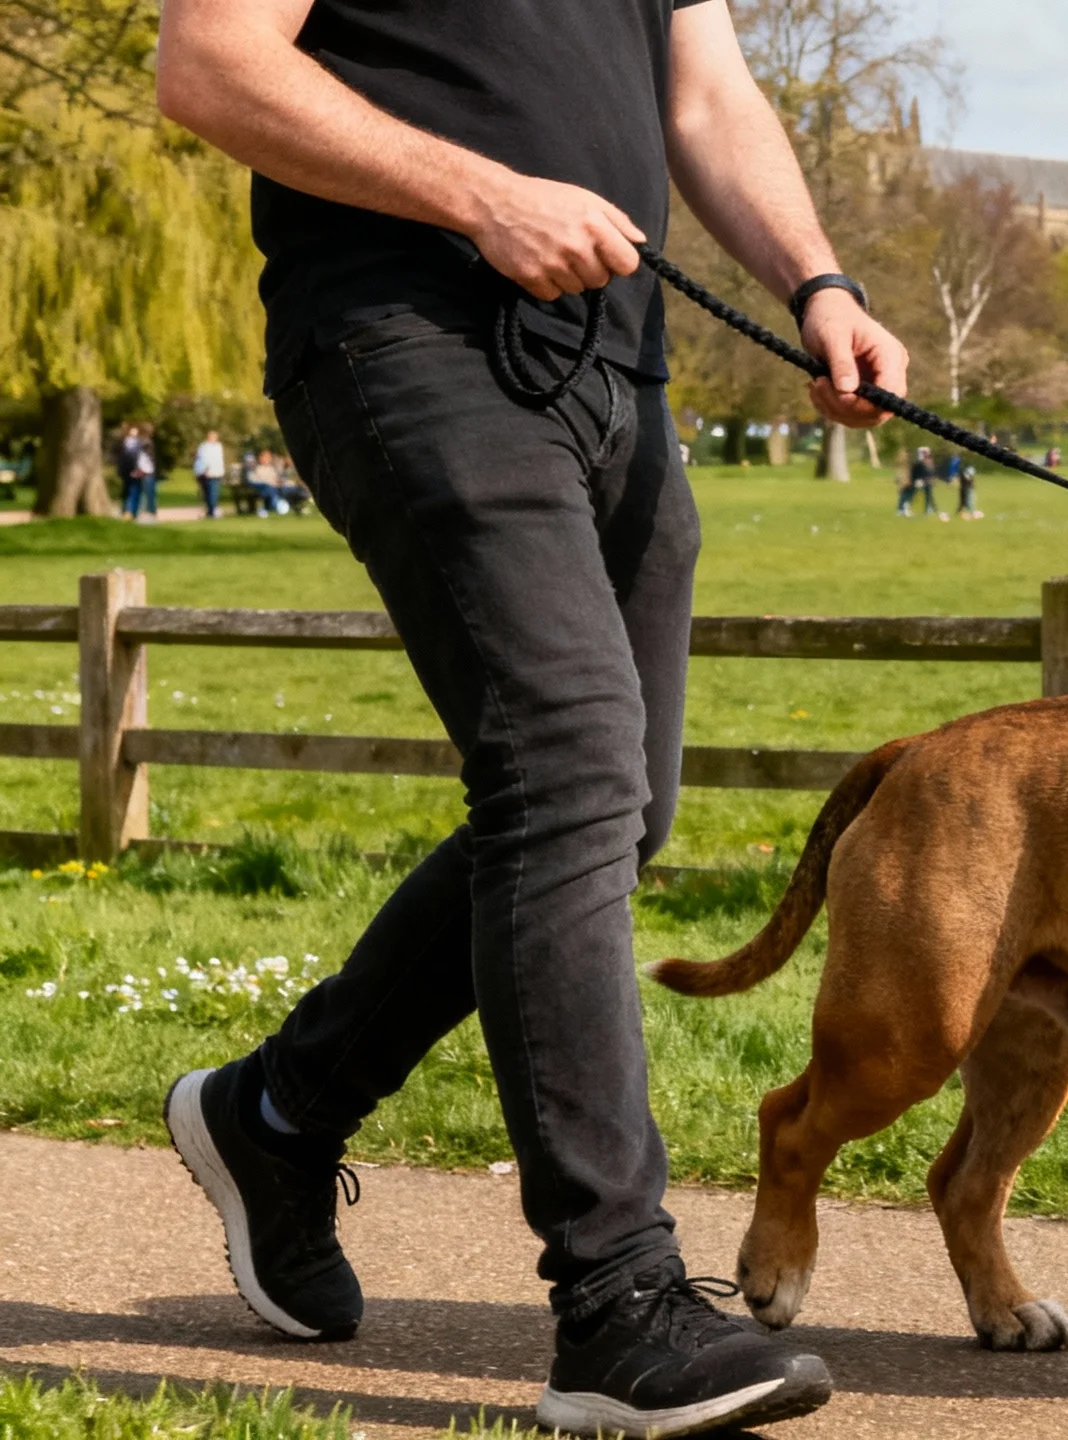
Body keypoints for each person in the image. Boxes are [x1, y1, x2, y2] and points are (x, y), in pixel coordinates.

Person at [153, 0, 910, 1432]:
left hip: (617, 376)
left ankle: (279, 1113)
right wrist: (478, 192)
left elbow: (707, 99)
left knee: (620, 814)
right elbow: (210, 65)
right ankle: (615, 1305)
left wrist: (818, 280)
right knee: (564, 779)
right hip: (408, 331)